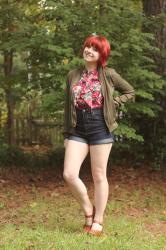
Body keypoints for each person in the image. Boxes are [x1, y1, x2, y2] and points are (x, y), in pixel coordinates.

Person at [63, 34, 135, 236]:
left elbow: (130, 91)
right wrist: (67, 133)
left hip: (100, 125)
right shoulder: (73, 75)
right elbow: (67, 107)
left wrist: (114, 103)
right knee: (69, 173)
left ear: (101, 54)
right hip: (78, 127)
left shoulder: (109, 74)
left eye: (94, 49)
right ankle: (88, 209)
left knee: (99, 175)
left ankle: (98, 220)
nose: (89, 51)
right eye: (87, 46)